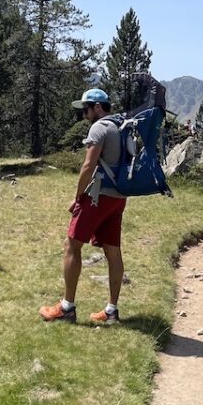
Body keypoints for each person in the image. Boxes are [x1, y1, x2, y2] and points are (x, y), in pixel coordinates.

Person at [40, 88, 127, 325]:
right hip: (119, 197)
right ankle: (112, 311)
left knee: (72, 245)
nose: (85, 115)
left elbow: (88, 166)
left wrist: (78, 197)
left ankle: (67, 308)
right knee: (112, 250)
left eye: (86, 109)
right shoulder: (121, 126)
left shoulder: (100, 128)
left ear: (98, 107)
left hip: (97, 197)